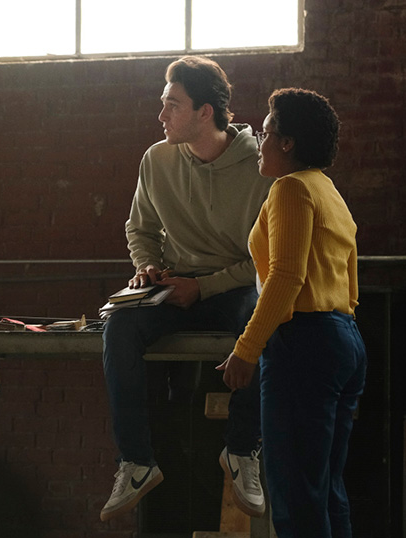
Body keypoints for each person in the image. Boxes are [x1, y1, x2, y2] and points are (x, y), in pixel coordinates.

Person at [100, 56, 275, 522]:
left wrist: (205, 287)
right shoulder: (157, 159)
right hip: (174, 285)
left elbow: (265, 263)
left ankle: (241, 451)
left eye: (172, 105)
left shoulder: (260, 168)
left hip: (235, 285)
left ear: (205, 112)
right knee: (119, 325)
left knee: (266, 321)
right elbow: (140, 229)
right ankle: (136, 461)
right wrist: (148, 266)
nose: (161, 115)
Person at [218, 88, 366, 538]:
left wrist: (247, 349)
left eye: (266, 133)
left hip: (303, 342)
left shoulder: (291, 188)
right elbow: (350, 283)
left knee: (296, 494)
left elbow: (285, 277)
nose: (259, 143)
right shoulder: (328, 191)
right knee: (325, 488)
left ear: (287, 143)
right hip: (344, 339)